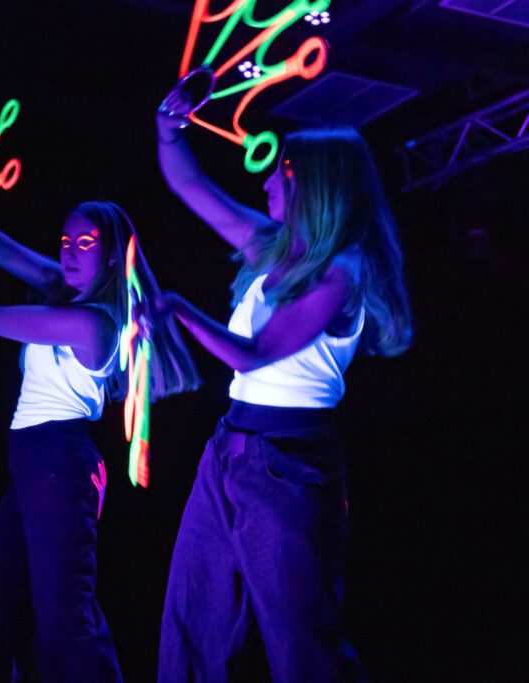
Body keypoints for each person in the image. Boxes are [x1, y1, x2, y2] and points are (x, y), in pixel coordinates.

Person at [153, 85, 413, 682]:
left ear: (315, 186)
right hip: (229, 449)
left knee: (301, 640)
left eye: (283, 171)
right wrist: (169, 126)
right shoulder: (271, 247)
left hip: (287, 464)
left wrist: (179, 309)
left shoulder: (341, 274)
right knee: (194, 614)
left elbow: (254, 355)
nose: (268, 178)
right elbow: (189, 185)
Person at [0, 201, 199, 682]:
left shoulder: (93, 322)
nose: (70, 252)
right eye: (65, 241)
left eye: (85, 243)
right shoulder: (67, 291)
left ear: (113, 255)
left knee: (64, 622)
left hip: (61, 463)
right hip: (35, 463)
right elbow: (6, 252)